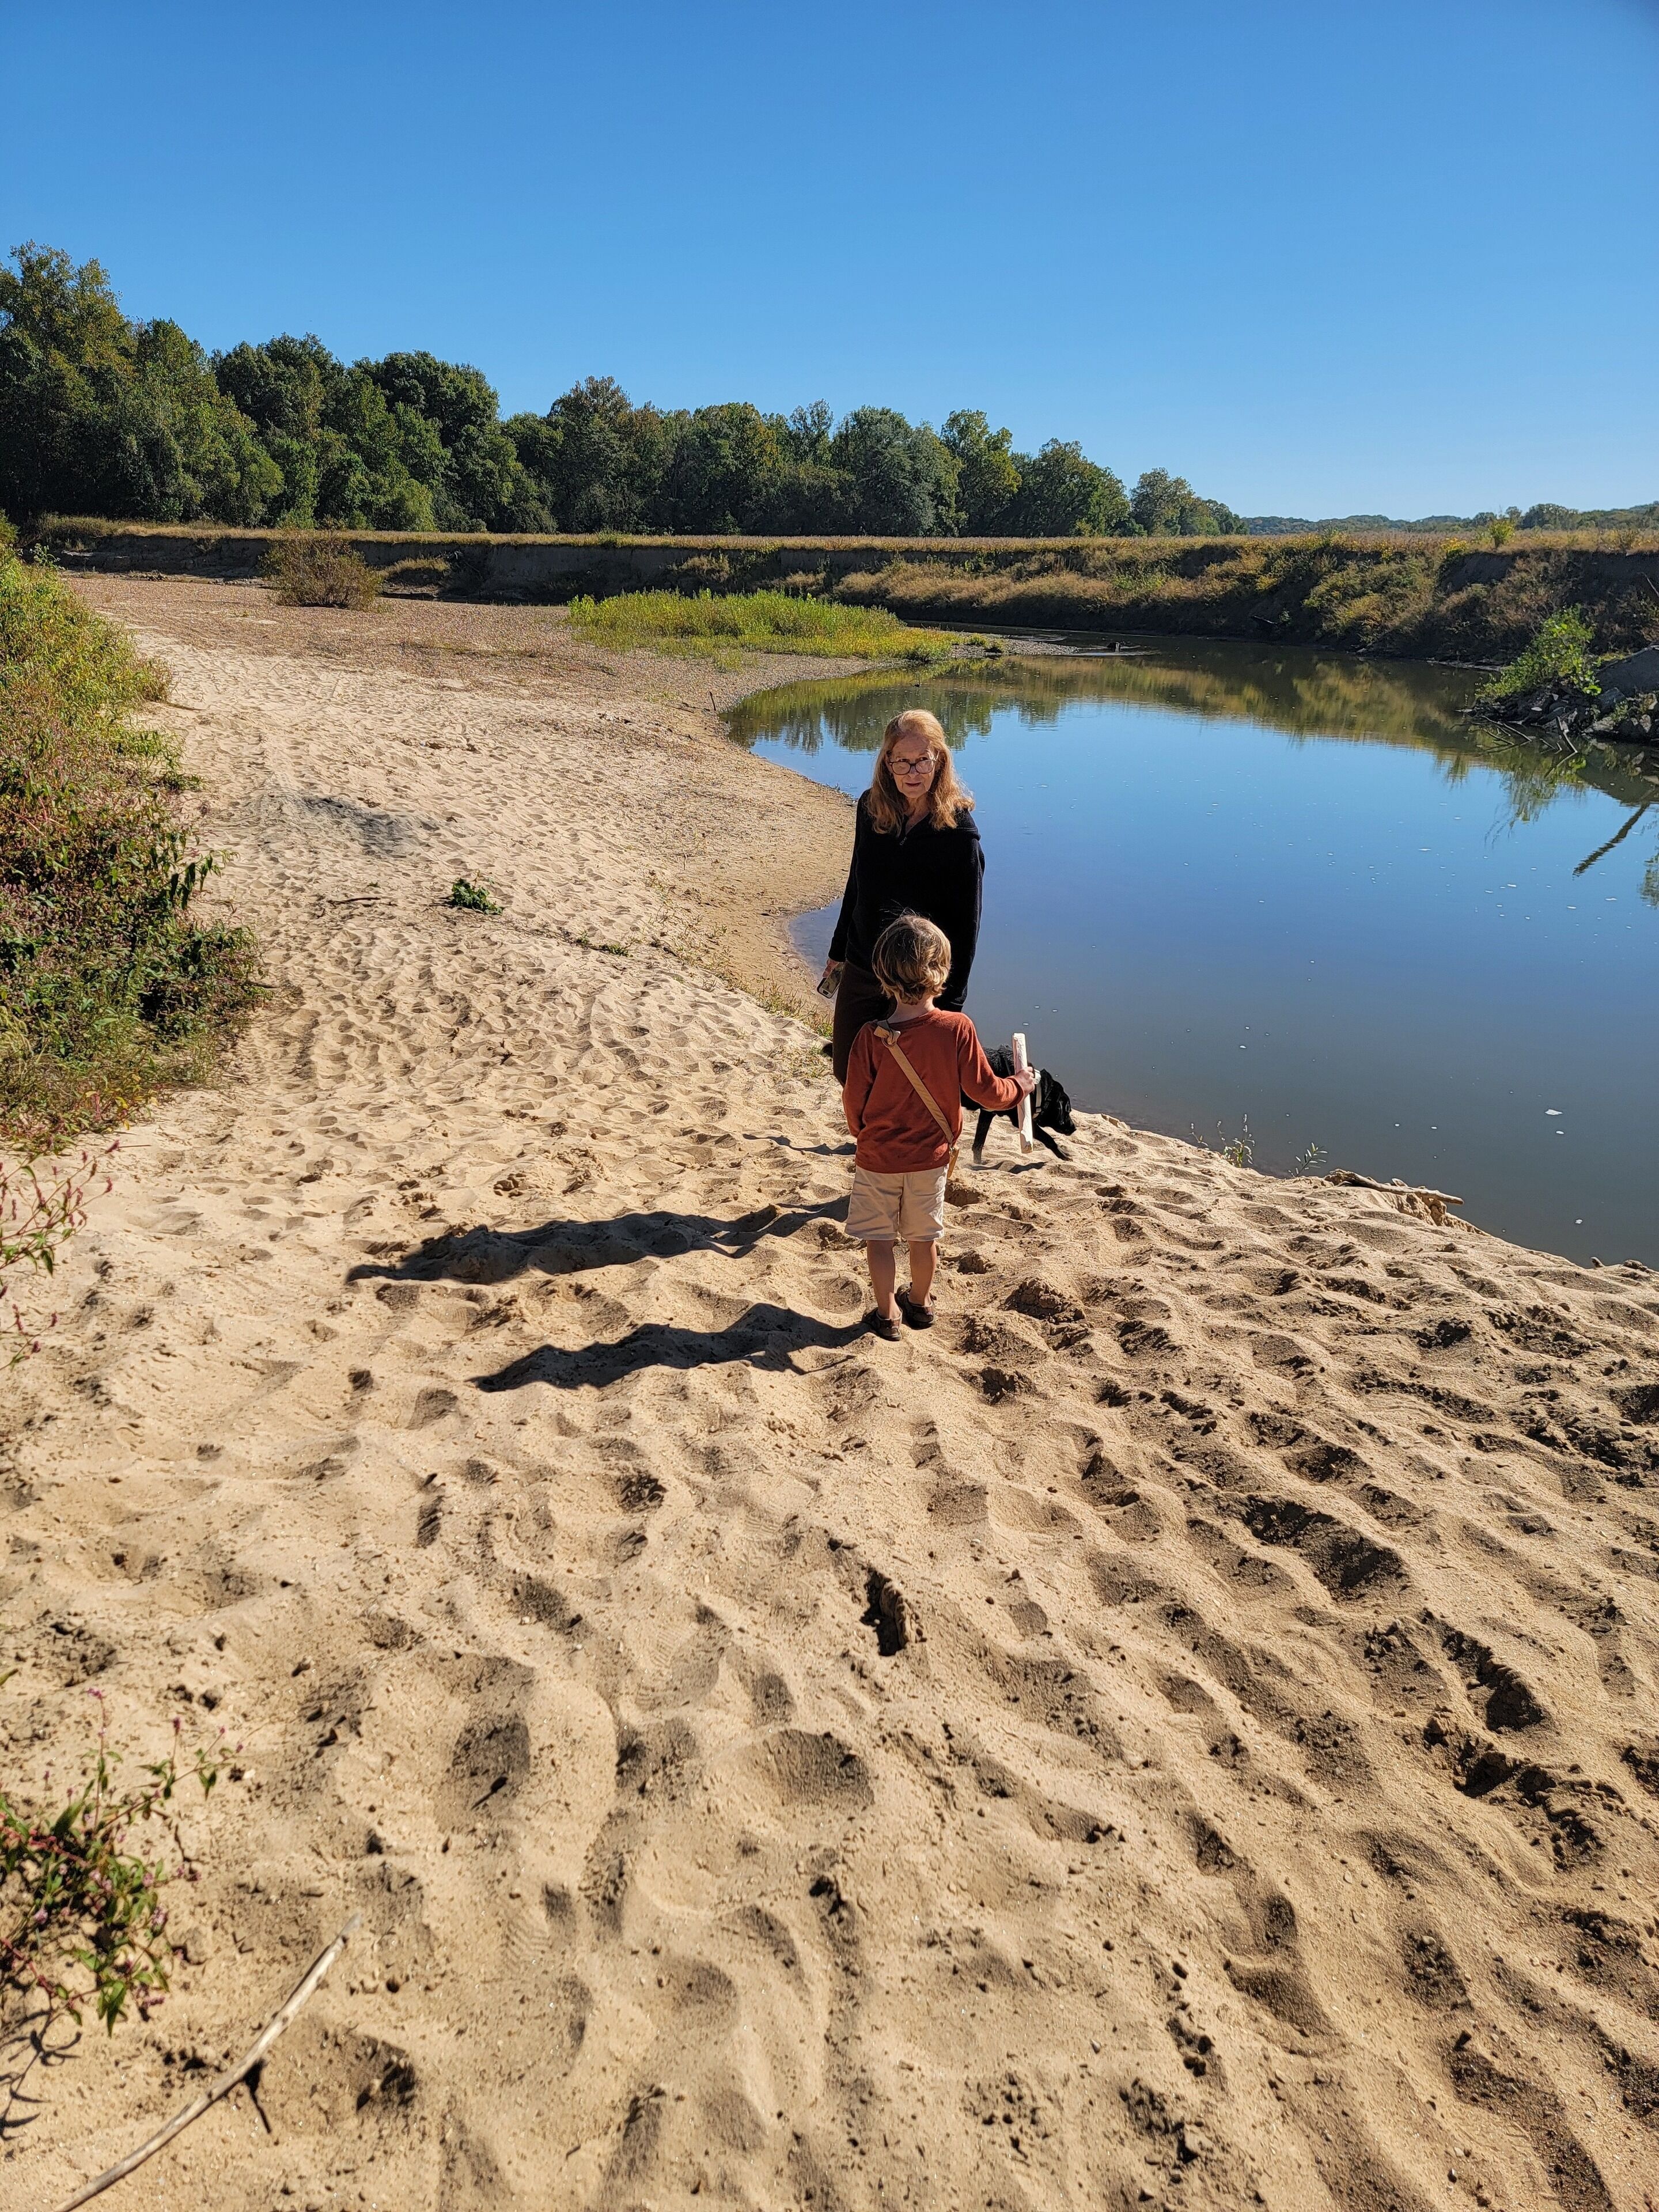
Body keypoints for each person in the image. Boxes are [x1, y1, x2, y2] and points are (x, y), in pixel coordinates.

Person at [842, 914, 1033, 1340]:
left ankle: (888, 1313)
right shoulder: (956, 1029)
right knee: (923, 1238)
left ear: (882, 972)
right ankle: (921, 1303)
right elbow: (987, 1093)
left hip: (878, 1158)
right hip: (930, 1160)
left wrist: (863, 1134)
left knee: (878, 1240)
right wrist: (1019, 1086)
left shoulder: (870, 1037)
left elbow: (854, 1104)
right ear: (942, 971)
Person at [820, 709, 983, 1083]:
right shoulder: (869, 809)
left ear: (939, 760)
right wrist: (837, 952)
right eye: (903, 762)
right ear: (887, 763)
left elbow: (966, 927)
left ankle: (881, 1142)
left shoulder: (959, 834)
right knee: (849, 1070)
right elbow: (856, 884)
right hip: (863, 965)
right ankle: (870, 1137)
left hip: (918, 982)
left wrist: (951, 1005)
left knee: (905, 1079)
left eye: (922, 761)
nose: (913, 773)